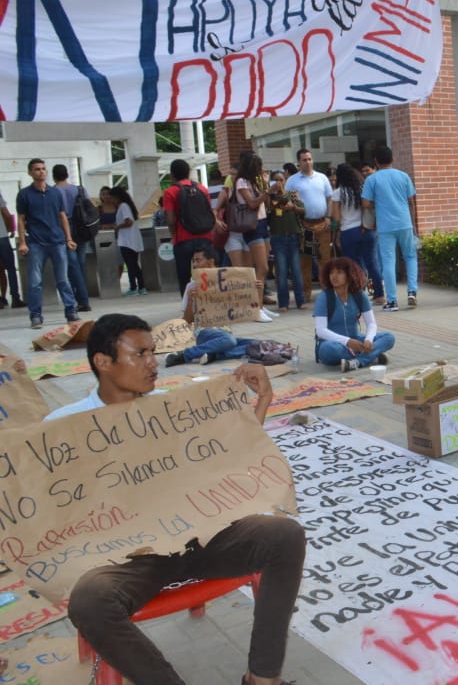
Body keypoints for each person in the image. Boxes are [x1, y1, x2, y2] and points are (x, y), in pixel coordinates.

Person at [45, 314, 304, 685]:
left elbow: (228, 459)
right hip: (129, 559)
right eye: (140, 354)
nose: (153, 363)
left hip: (199, 538)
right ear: (103, 362)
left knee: (284, 535)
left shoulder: (173, 409)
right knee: (89, 602)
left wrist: (261, 400)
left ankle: (262, 679)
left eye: (153, 352)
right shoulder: (63, 427)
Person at [165, 245, 264, 366]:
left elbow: (253, 307)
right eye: (193, 261)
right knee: (230, 341)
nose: (195, 265)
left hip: (225, 333)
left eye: (198, 260)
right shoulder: (191, 286)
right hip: (204, 332)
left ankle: (214, 354)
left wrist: (256, 290)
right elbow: (187, 320)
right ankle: (185, 355)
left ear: (211, 261)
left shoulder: (228, 282)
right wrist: (191, 299)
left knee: (258, 344)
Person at [15, 158, 80, 329]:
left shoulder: (55, 193)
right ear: (30, 172)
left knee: (63, 279)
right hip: (36, 242)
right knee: (35, 281)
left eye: (43, 169)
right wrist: (22, 242)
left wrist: (69, 238)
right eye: (37, 169)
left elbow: (62, 216)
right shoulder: (24, 194)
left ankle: (71, 311)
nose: (41, 171)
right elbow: (21, 219)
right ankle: (35, 315)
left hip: (57, 241)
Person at [312, 256, 395, 372]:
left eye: (339, 272)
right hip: (333, 344)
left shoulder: (359, 296)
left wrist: (368, 340)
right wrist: (347, 342)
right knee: (328, 349)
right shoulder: (324, 297)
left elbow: (371, 323)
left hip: (356, 340)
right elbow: (321, 331)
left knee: (389, 337)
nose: (334, 276)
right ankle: (371, 356)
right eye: (331, 273)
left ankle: (357, 362)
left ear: (349, 275)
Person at [362, 145, 419, 311]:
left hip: (385, 225)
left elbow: (365, 203)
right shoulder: (403, 176)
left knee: (388, 261)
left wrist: (377, 203)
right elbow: (411, 201)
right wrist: (413, 223)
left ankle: (392, 301)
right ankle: (412, 292)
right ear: (392, 159)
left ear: (376, 162)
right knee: (410, 257)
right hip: (405, 222)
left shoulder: (372, 179)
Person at [217, 152, 274, 314]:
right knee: (261, 268)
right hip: (252, 226)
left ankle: (259, 304)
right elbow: (252, 203)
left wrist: (265, 185)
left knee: (262, 267)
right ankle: (256, 307)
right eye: (258, 167)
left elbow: (267, 205)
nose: (261, 170)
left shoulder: (256, 182)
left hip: (263, 224)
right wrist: (268, 192)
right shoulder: (241, 182)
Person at [332, 163, 385, 304]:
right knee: (372, 263)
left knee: (353, 265)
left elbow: (336, 218)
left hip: (348, 232)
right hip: (366, 230)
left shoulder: (338, 193)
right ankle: (380, 295)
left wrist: (335, 232)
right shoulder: (362, 189)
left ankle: (359, 295)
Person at [163, 158, 216, 295]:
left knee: (184, 276)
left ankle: (188, 307)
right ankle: (209, 302)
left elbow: (170, 219)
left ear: (172, 175)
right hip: (205, 236)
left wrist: (174, 234)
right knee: (207, 273)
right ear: (189, 172)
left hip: (183, 238)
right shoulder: (202, 189)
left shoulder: (170, 192)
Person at [285, 149, 334, 300]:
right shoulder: (293, 180)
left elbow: (330, 199)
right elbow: (287, 202)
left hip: (322, 224)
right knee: (305, 262)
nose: (308, 162)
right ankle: (306, 294)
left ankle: (328, 291)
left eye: (310, 159)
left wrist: (329, 217)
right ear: (298, 163)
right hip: (305, 225)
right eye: (304, 160)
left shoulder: (322, 178)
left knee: (324, 260)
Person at [51, 164, 93, 312]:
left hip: (63, 229)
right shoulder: (79, 189)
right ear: (67, 174)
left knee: (72, 266)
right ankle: (81, 296)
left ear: (53, 176)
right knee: (79, 264)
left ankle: (82, 299)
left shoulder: (53, 192)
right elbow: (90, 207)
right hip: (81, 227)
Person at [265, 170, 309, 312]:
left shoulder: (292, 194)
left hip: (293, 236)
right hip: (278, 238)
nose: (279, 183)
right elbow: (266, 210)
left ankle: (300, 301)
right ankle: (283, 303)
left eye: (281, 180)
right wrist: (270, 195)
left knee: (296, 270)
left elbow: (303, 211)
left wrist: (293, 207)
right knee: (282, 272)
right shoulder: (269, 198)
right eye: (276, 180)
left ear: (285, 180)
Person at [108, 186, 147, 296]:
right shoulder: (126, 205)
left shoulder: (123, 206)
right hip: (131, 240)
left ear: (117, 197)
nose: (111, 200)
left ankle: (134, 287)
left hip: (127, 241)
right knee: (133, 265)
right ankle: (141, 287)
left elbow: (129, 222)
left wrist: (118, 227)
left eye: (112, 198)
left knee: (131, 265)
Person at [0, 190, 24, 309]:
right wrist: (11, 228)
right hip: (1, 237)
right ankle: (15, 297)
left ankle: (2, 298)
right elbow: (6, 213)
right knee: (10, 268)